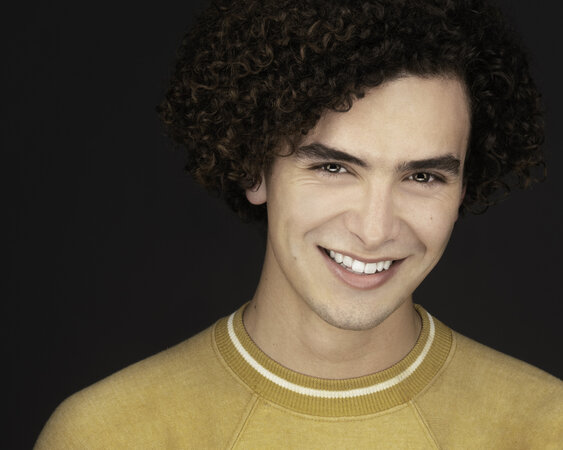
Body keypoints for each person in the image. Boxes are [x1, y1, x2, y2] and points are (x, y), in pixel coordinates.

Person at [35, 0, 562, 447]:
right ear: (254, 167)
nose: (375, 229)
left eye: (423, 176)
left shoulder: (543, 428)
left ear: (464, 186)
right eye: (334, 168)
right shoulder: (107, 434)